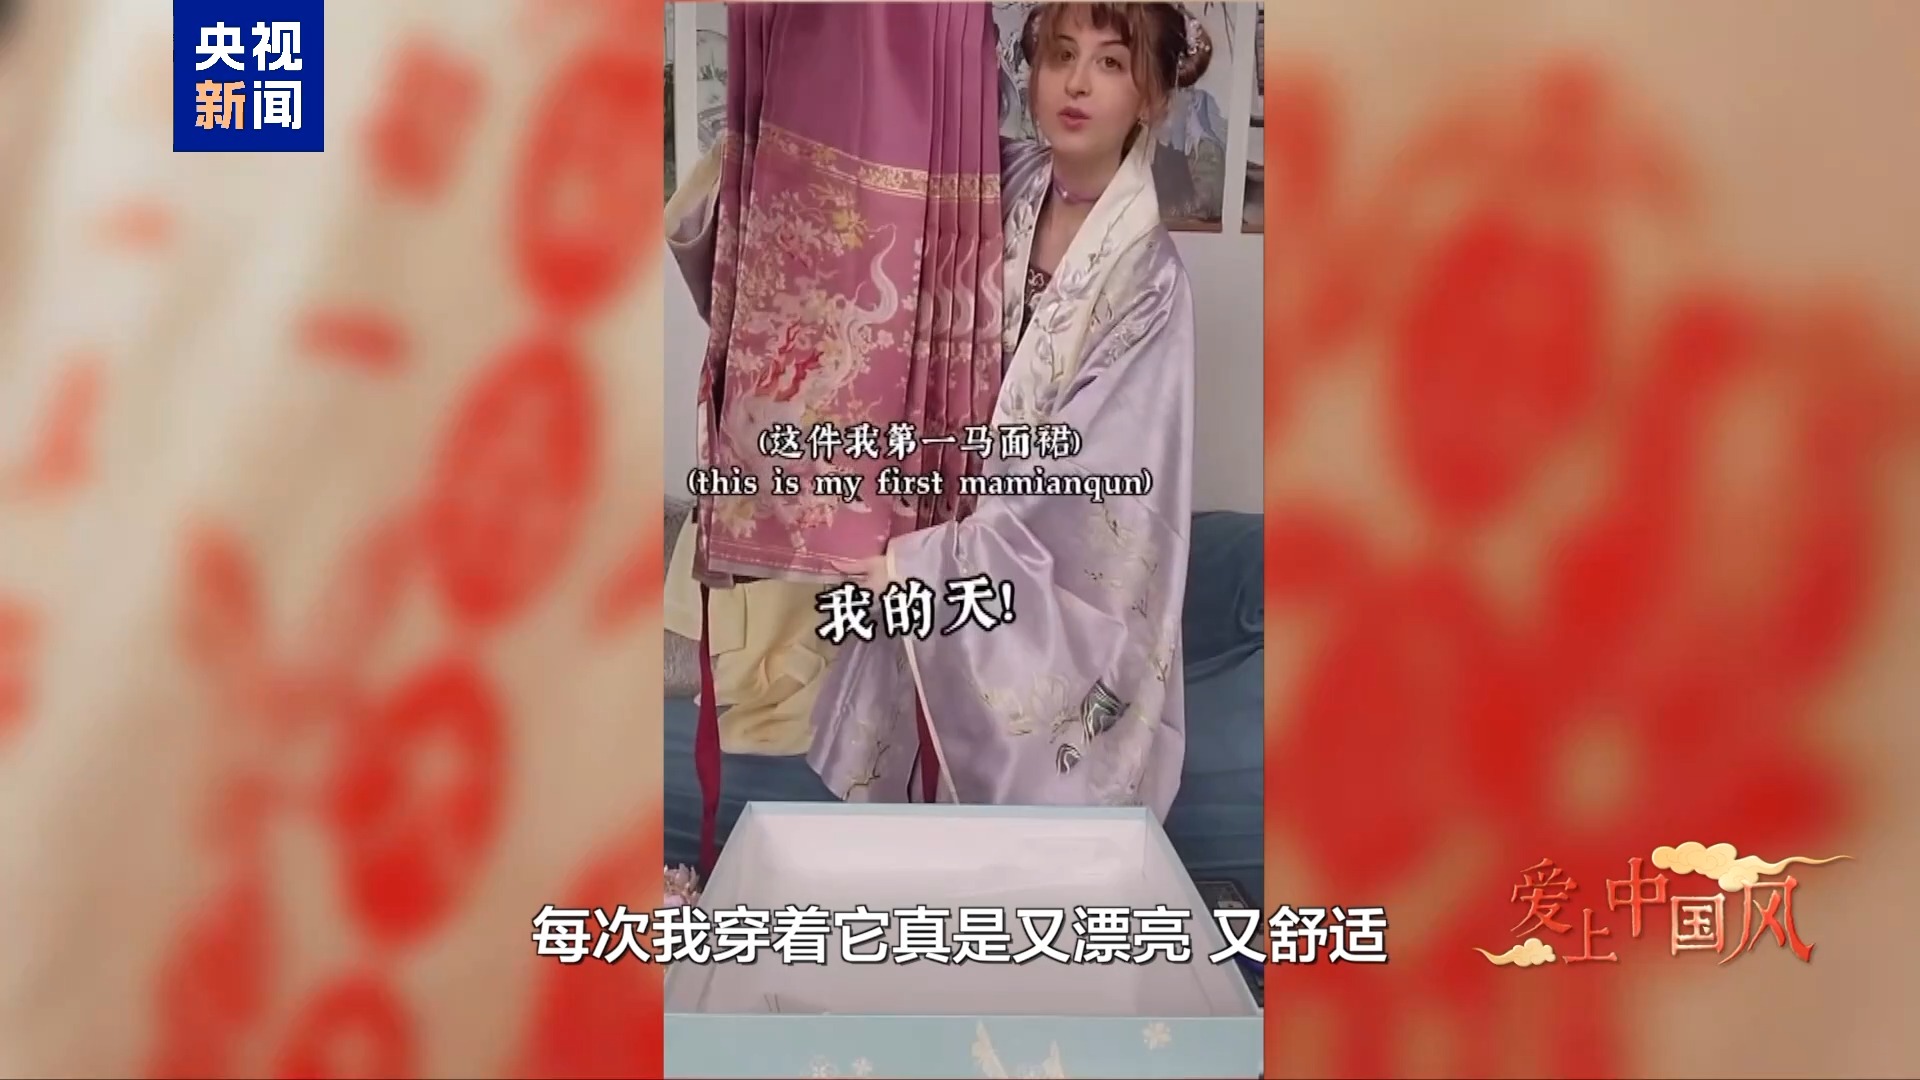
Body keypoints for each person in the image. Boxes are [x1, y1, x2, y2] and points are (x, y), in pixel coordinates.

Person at [807, 2, 1211, 818]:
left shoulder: (1151, 284)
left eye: (1110, 62)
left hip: (1008, 590)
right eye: (1060, 54)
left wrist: (926, 568)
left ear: (1153, 97)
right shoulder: (992, 181)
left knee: (1003, 860)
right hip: (926, 539)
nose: (1077, 82)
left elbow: (1091, 487)